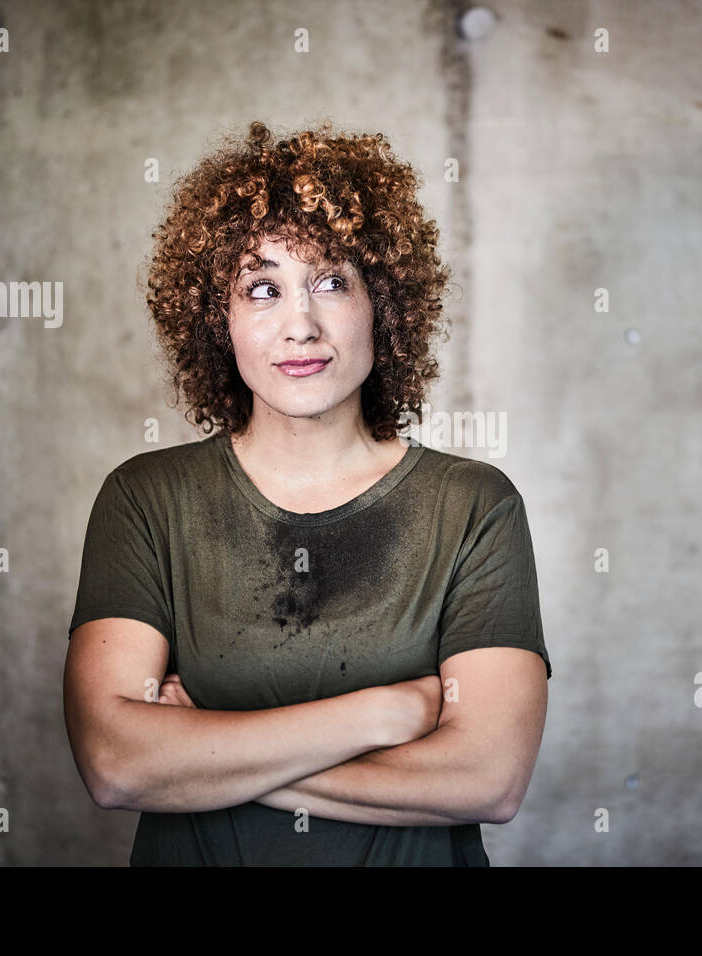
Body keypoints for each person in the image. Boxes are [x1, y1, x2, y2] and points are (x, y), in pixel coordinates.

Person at [61, 120, 552, 866]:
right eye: (262, 289)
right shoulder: (146, 499)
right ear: (217, 321)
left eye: (330, 282)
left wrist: (207, 757)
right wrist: (382, 713)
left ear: (381, 307)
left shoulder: (475, 506)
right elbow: (114, 763)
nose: (301, 324)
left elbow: (488, 779)